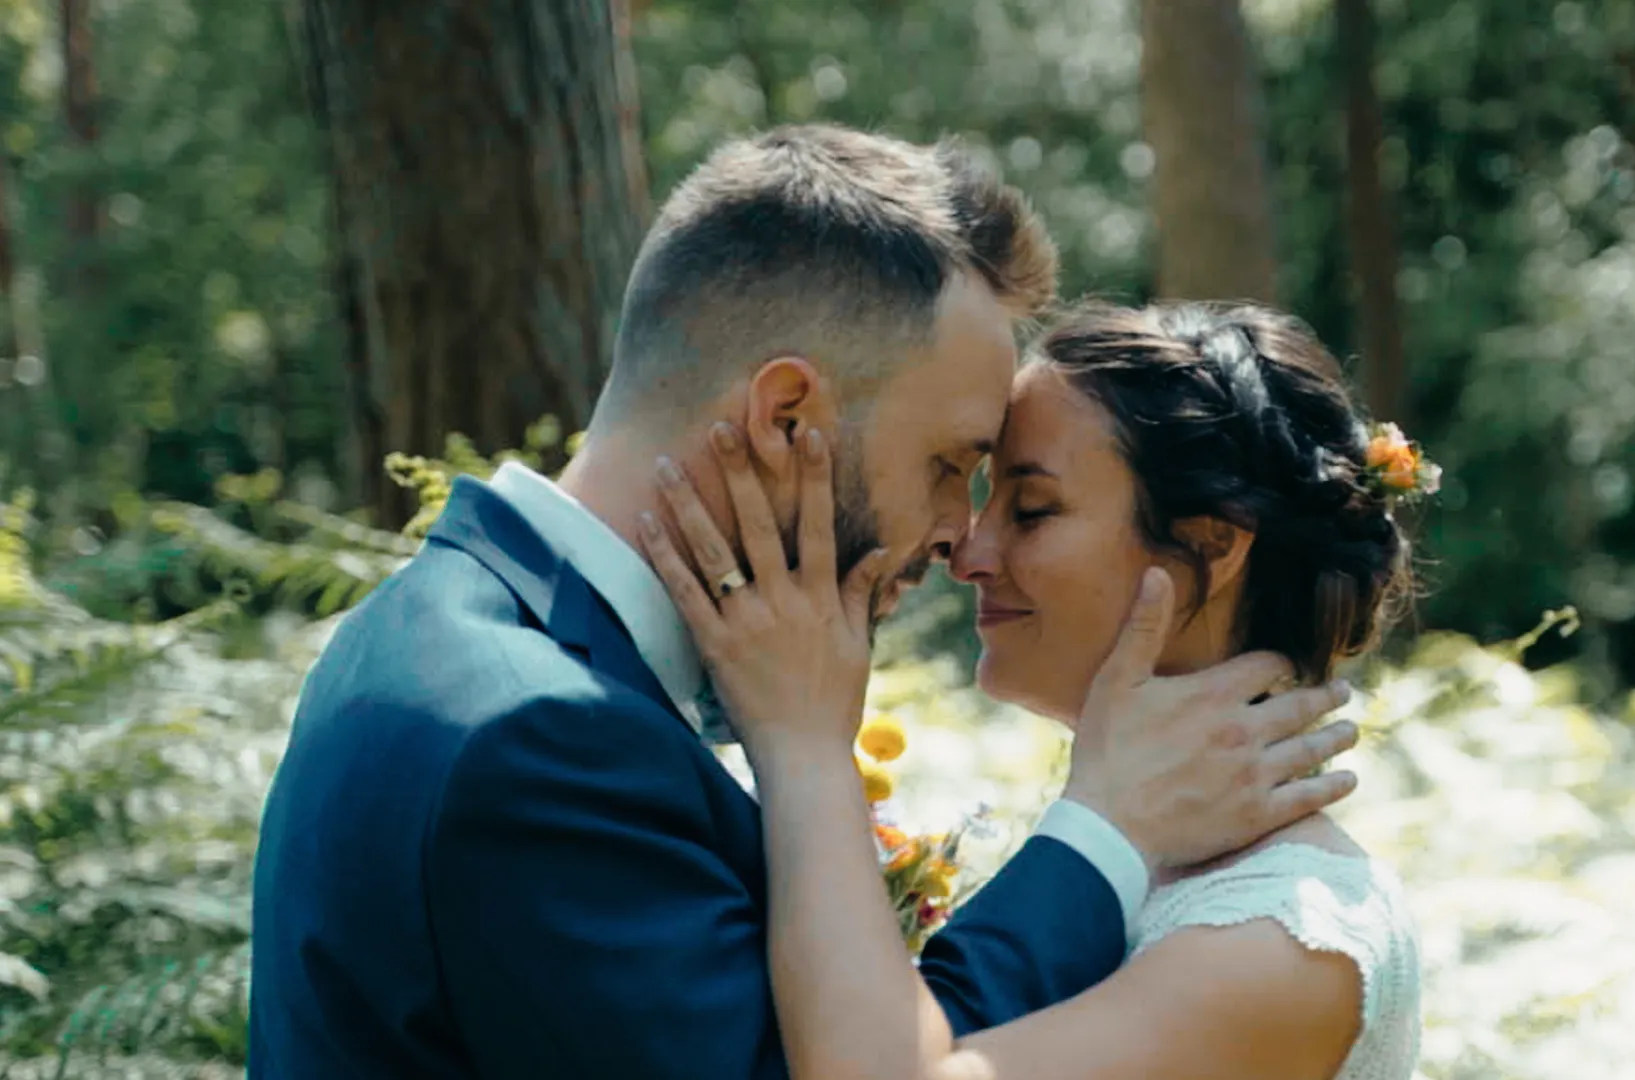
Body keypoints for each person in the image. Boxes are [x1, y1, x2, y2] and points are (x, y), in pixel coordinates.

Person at [246, 126, 1361, 1079]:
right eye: (948, 464)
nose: (956, 536)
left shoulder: (435, 628)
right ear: (786, 418)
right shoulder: (542, 737)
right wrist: (1101, 832)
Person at [641, 300, 1424, 1080]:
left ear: (1208, 545)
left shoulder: (1286, 941)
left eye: (1033, 509)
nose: (968, 553)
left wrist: (806, 747)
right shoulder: (1145, 855)